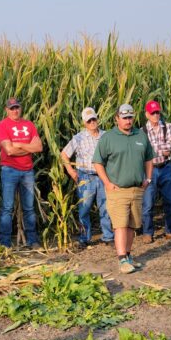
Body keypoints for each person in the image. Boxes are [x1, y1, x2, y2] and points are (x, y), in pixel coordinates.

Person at [93, 104, 154, 274]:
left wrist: (148, 178)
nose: (128, 121)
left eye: (130, 117)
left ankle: (128, 256)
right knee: (120, 225)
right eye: (124, 117)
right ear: (117, 118)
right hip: (117, 190)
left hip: (137, 189)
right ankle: (121, 260)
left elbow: (149, 159)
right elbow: (97, 162)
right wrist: (107, 183)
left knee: (132, 226)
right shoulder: (108, 138)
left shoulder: (140, 135)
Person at [61, 107, 113, 249]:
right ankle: (85, 238)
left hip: (103, 176)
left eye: (93, 119)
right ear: (84, 123)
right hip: (85, 176)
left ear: (97, 119)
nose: (92, 122)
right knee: (84, 208)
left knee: (105, 207)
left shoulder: (106, 136)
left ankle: (108, 236)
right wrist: (71, 171)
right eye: (89, 121)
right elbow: (64, 154)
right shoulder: (78, 138)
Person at [0, 97, 42, 249]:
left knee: (29, 208)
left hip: (27, 170)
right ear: (6, 110)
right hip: (9, 170)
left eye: (17, 107)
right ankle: (5, 243)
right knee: (7, 208)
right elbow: (9, 150)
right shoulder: (2, 125)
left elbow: (39, 147)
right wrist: (29, 147)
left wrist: (19, 144)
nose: (15, 110)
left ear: (20, 108)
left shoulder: (29, 124)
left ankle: (32, 240)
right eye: (12, 108)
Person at [140, 100, 171, 242]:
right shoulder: (142, 131)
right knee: (148, 203)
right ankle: (148, 232)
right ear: (147, 114)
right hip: (150, 169)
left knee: (170, 201)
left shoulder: (167, 126)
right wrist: (162, 150)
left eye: (157, 112)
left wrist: (154, 150)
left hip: (166, 167)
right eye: (152, 113)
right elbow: (143, 150)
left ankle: (170, 230)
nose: (156, 115)